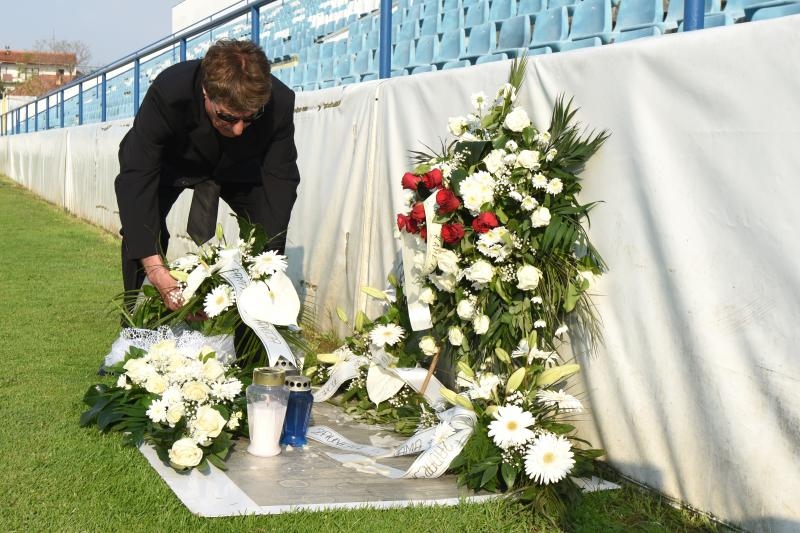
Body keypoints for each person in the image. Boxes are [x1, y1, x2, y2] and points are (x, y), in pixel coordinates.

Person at [115, 39, 300, 311]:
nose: (238, 130)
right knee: (140, 230)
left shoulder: (280, 104)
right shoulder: (169, 90)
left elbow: (281, 182)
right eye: (227, 117)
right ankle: (139, 320)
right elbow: (136, 175)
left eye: (250, 118)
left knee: (266, 243)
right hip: (174, 162)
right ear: (206, 92)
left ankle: (253, 334)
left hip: (241, 166)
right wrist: (154, 266)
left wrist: (266, 262)